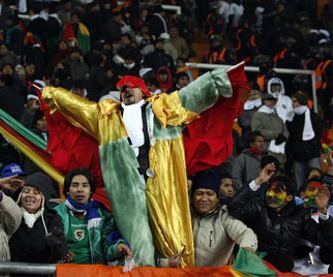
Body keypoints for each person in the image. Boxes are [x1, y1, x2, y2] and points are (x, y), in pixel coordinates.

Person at [42, 63, 245, 266]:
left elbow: (191, 94)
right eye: (122, 89)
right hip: (126, 186)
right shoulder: (105, 117)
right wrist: (52, 93)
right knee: (138, 243)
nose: (126, 90)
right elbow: (78, 107)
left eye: (131, 87)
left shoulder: (163, 107)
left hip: (162, 181)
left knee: (174, 239)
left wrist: (220, 78)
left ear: (144, 92)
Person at [227, 163, 333, 272]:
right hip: (256, 270)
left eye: (277, 191)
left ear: (289, 197)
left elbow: (324, 239)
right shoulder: (259, 206)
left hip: (283, 273)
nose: (270, 194)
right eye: (269, 190)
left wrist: (323, 211)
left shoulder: (299, 215)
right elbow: (234, 209)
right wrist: (258, 181)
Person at [55, 168, 132, 264]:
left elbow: (107, 247)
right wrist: (59, 251)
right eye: (75, 185)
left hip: (95, 272)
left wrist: (118, 248)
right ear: (67, 190)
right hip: (63, 272)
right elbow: (47, 243)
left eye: (85, 185)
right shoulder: (55, 214)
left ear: (91, 191)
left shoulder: (102, 215)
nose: (80, 189)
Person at [189, 171, 257, 267]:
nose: (204, 199)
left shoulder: (224, 216)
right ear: (192, 197)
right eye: (199, 193)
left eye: (210, 194)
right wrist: (167, 262)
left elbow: (245, 234)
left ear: (217, 198)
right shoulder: (183, 217)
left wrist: (247, 252)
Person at [9, 173, 67, 267]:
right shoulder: (11, 215)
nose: (30, 195)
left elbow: (60, 255)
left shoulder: (52, 219)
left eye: (36, 193)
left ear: (44, 198)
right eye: (26, 191)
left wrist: (57, 245)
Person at [293, 178, 333, 275]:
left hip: (322, 272)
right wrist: (294, 251)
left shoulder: (329, 213)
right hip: (296, 271)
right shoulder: (292, 213)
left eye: (319, 191)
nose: (315, 194)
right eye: (311, 190)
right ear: (302, 194)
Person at [287, 92, 322, 189]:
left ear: (301, 101)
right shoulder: (290, 117)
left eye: (295, 101)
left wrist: (309, 148)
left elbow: (318, 135)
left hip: (312, 154)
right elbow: (290, 137)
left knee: (315, 180)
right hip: (297, 156)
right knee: (299, 182)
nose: (292, 104)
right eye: (292, 101)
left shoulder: (314, 117)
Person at [251, 93, 289, 167]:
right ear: (263, 101)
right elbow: (257, 131)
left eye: (273, 100)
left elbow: (285, 129)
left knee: (279, 173)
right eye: (268, 100)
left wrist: (284, 137)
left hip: (279, 152)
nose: (271, 102)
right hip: (265, 151)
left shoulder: (277, 116)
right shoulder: (258, 115)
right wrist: (276, 135)